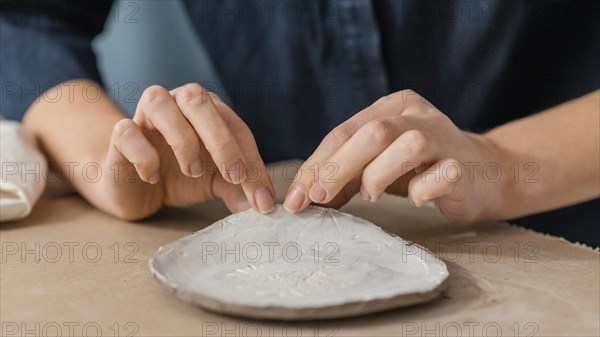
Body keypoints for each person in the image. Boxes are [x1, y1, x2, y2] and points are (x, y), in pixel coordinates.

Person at [1, 1, 598, 246]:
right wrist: (109, 163)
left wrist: (505, 163)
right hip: (253, 224)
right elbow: (30, 19)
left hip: (566, 235)